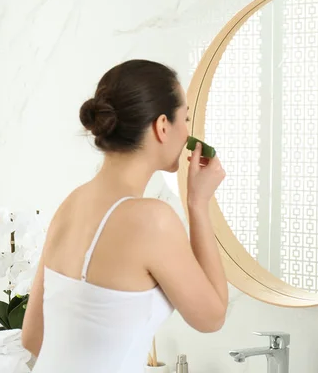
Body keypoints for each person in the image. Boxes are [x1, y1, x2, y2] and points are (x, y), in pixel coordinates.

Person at [21, 60, 228, 372]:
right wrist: (198, 204)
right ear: (162, 126)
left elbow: (33, 337)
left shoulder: (72, 204)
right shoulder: (152, 220)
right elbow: (212, 318)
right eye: (184, 118)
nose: (188, 131)